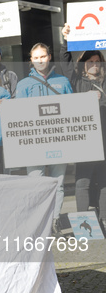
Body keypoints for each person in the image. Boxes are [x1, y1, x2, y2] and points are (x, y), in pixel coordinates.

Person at [16, 42, 73, 233]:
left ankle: (55, 220)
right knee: (36, 184)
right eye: (36, 57)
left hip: (58, 140)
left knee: (58, 184)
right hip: (34, 142)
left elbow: (73, 110)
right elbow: (19, 116)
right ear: (31, 60)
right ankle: (39, 222)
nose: (40, 60)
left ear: (49, 57)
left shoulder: (63, 82)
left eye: (43, 56)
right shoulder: (24, 85)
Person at [60, 24, 106, 228]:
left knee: (105, 184)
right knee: (82, 183)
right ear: (84, 64)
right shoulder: (76, 81)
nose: (94, 64)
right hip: (85, 143)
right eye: (90, 61)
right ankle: (84, 227)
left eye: (97, 61)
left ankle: (104, 221)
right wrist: (66, 40)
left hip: (104, 142)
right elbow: (65, 62)